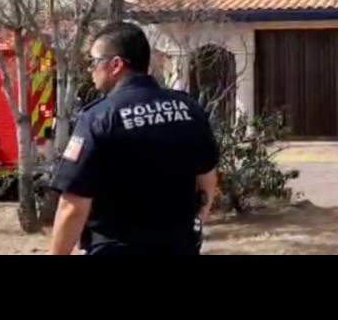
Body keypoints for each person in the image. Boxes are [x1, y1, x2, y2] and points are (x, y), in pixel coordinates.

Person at [47, 21, 220, 256]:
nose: (90, 70)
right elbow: (207, 179)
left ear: (116, 64)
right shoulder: (189, 109)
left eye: (93, 62)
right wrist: (196, 223)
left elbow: (73, 206)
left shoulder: (99, 119)